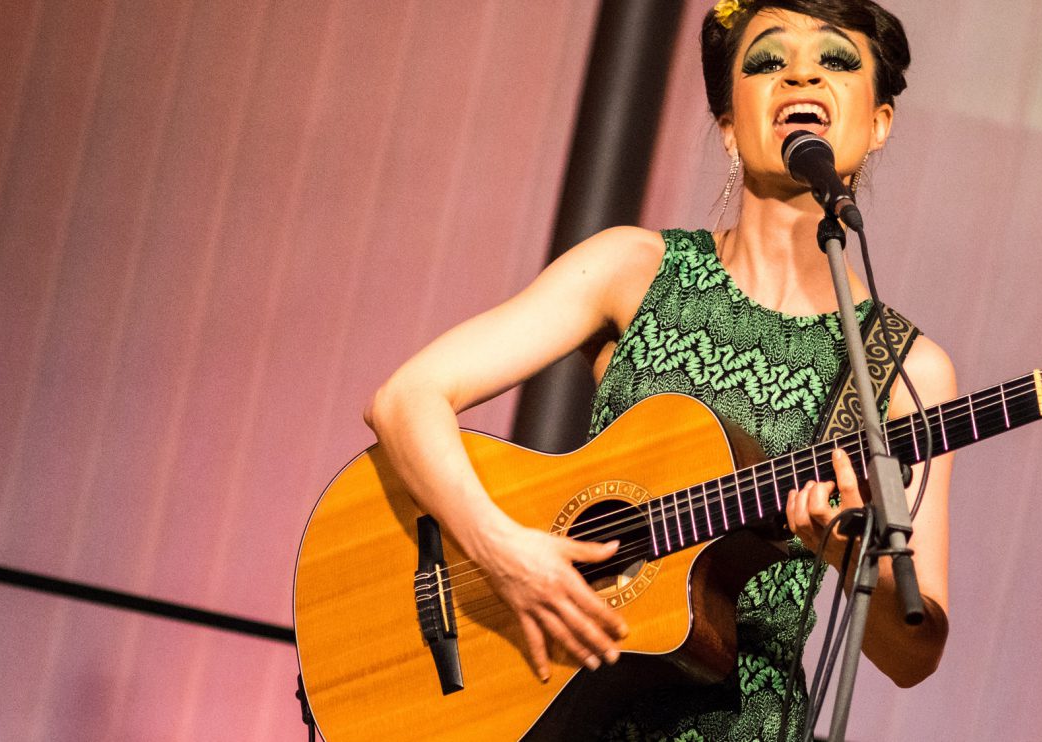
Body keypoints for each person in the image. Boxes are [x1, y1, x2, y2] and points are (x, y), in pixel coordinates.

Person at [365, 0, 955, 738]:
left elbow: (913, 653)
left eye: (835, 60)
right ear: (730, 127)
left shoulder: (903, 370)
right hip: (566, 711)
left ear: (878, 123)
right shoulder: (634, 269)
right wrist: (501, 550)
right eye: (767, 60)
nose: (801, 71)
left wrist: (840, 550)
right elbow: (405, 399)